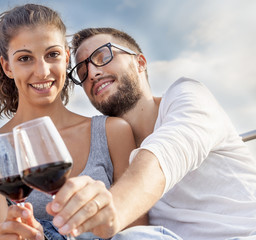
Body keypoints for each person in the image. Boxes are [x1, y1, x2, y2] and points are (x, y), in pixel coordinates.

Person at [45, 27, 256, 240]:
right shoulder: (111, 150)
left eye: (103, 56)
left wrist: (112, 210)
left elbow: (167, 152)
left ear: (140, 63)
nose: (92, 73)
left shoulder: (186, 95)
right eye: (82, 72)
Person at [0, 6, 144, 240]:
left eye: (52, 55)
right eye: (25, 58)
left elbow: (139, 232)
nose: (42, 71)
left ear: (67, 57)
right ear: (7, 66)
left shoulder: (113, 132)